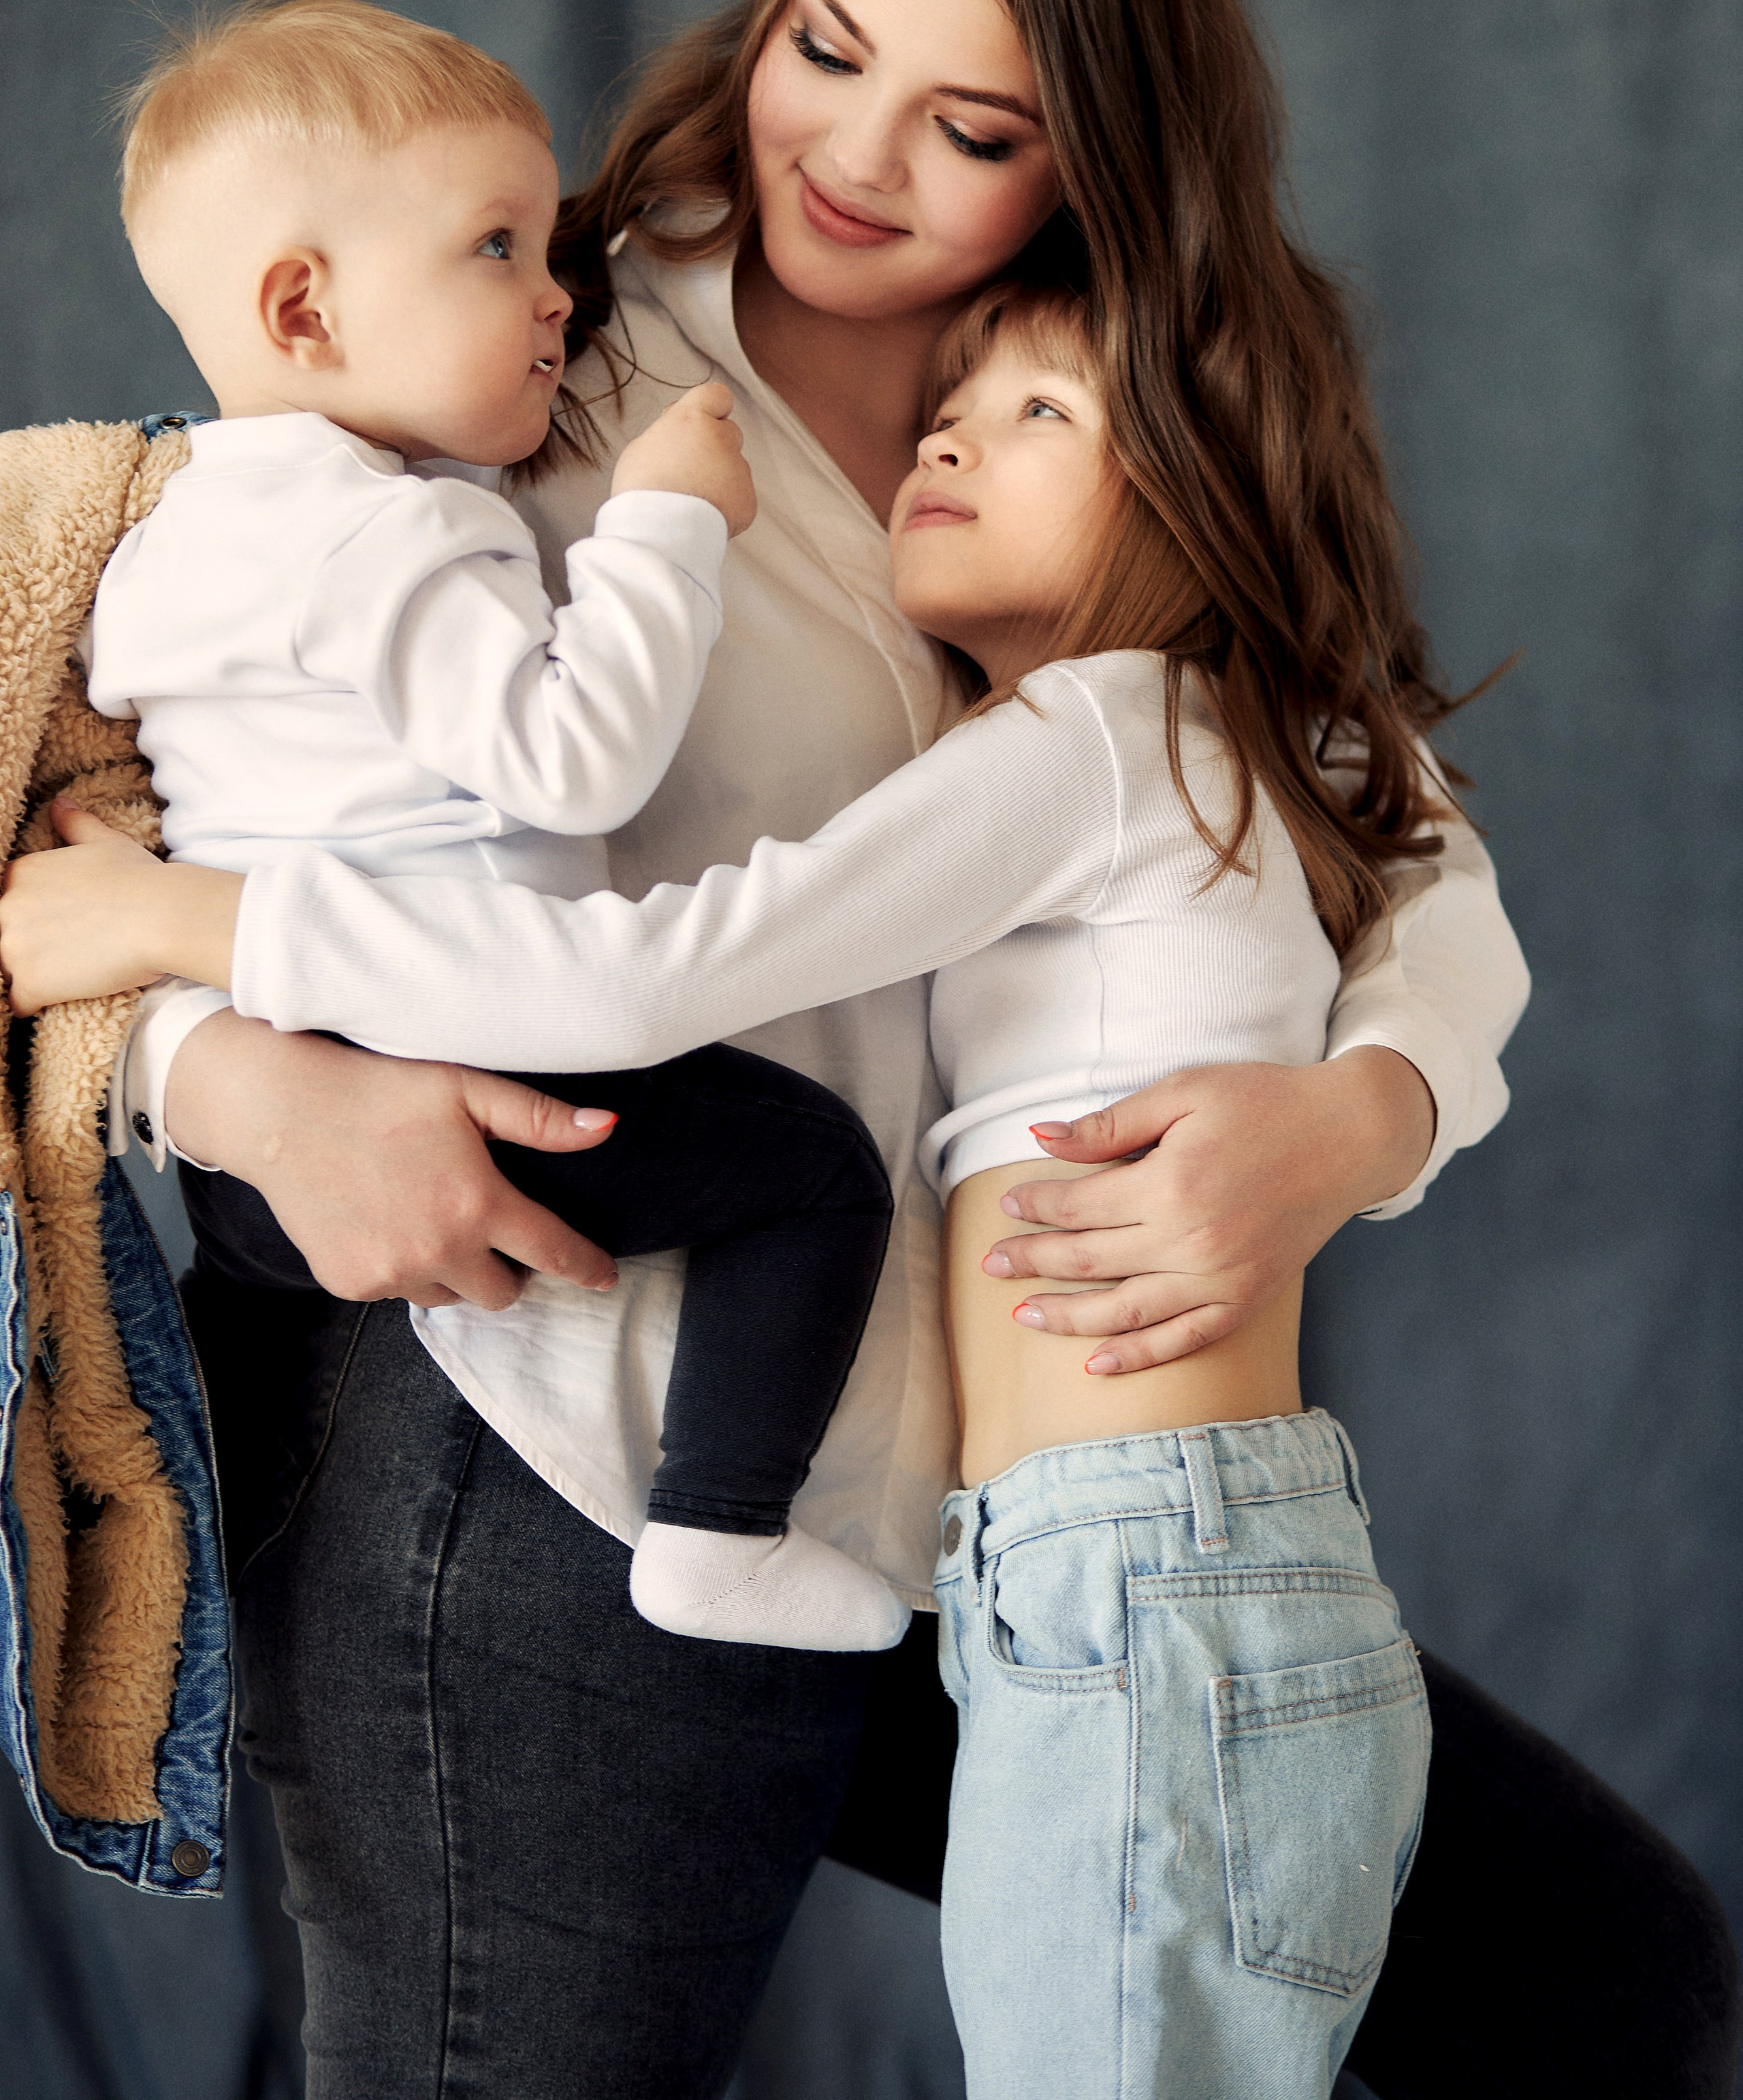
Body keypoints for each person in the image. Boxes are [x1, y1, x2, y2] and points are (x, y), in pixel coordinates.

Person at [5, 0, 1729, 2099]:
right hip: (543, 1437)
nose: (854, 155)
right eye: (830, 46)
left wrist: (1356, 1110)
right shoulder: (525, 348)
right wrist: (244, 1086)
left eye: (974, 124)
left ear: (1099, 158)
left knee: (1593, 1955)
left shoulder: (1100, 402)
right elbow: (116, 777)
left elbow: (1383, 825)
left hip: (964, 1498)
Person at [26, 276, 1443, 2097]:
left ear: (1210, 503)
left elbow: (646, 973)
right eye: (962, 398)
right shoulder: (1192, 745)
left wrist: (176, 921)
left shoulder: (1096, 737)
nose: (951, 431)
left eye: (1042, 417)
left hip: (1142, 1586)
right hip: (1146, 1564)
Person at [79, 0, 906, 1653]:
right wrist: (665, 528)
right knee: (815, 1178)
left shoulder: (165, 544)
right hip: (474, 1049)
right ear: (303, 307)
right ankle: (718, 1531)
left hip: (278, 1113)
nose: (554, 295)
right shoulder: (386, 532)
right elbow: (570, 756)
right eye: (496, 248)